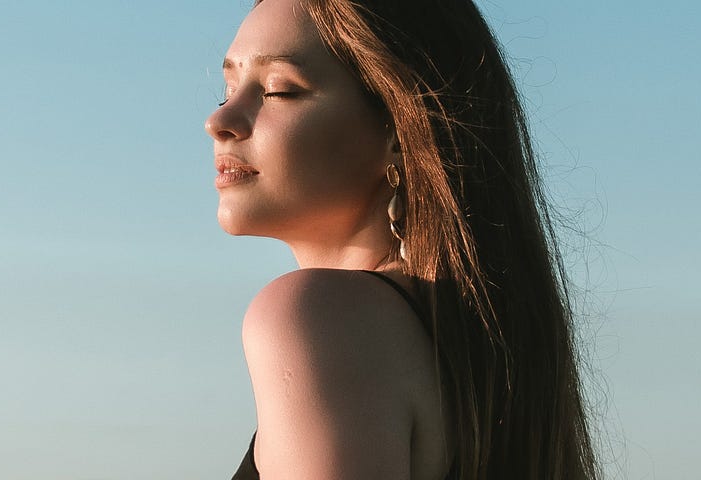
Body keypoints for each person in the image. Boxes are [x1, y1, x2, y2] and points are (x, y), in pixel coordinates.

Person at [206, 0, 600, 479]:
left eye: (277, 90)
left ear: (398, 129)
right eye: (227, 88)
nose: (220, 120)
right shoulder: (484, 364)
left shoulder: (317, 317)